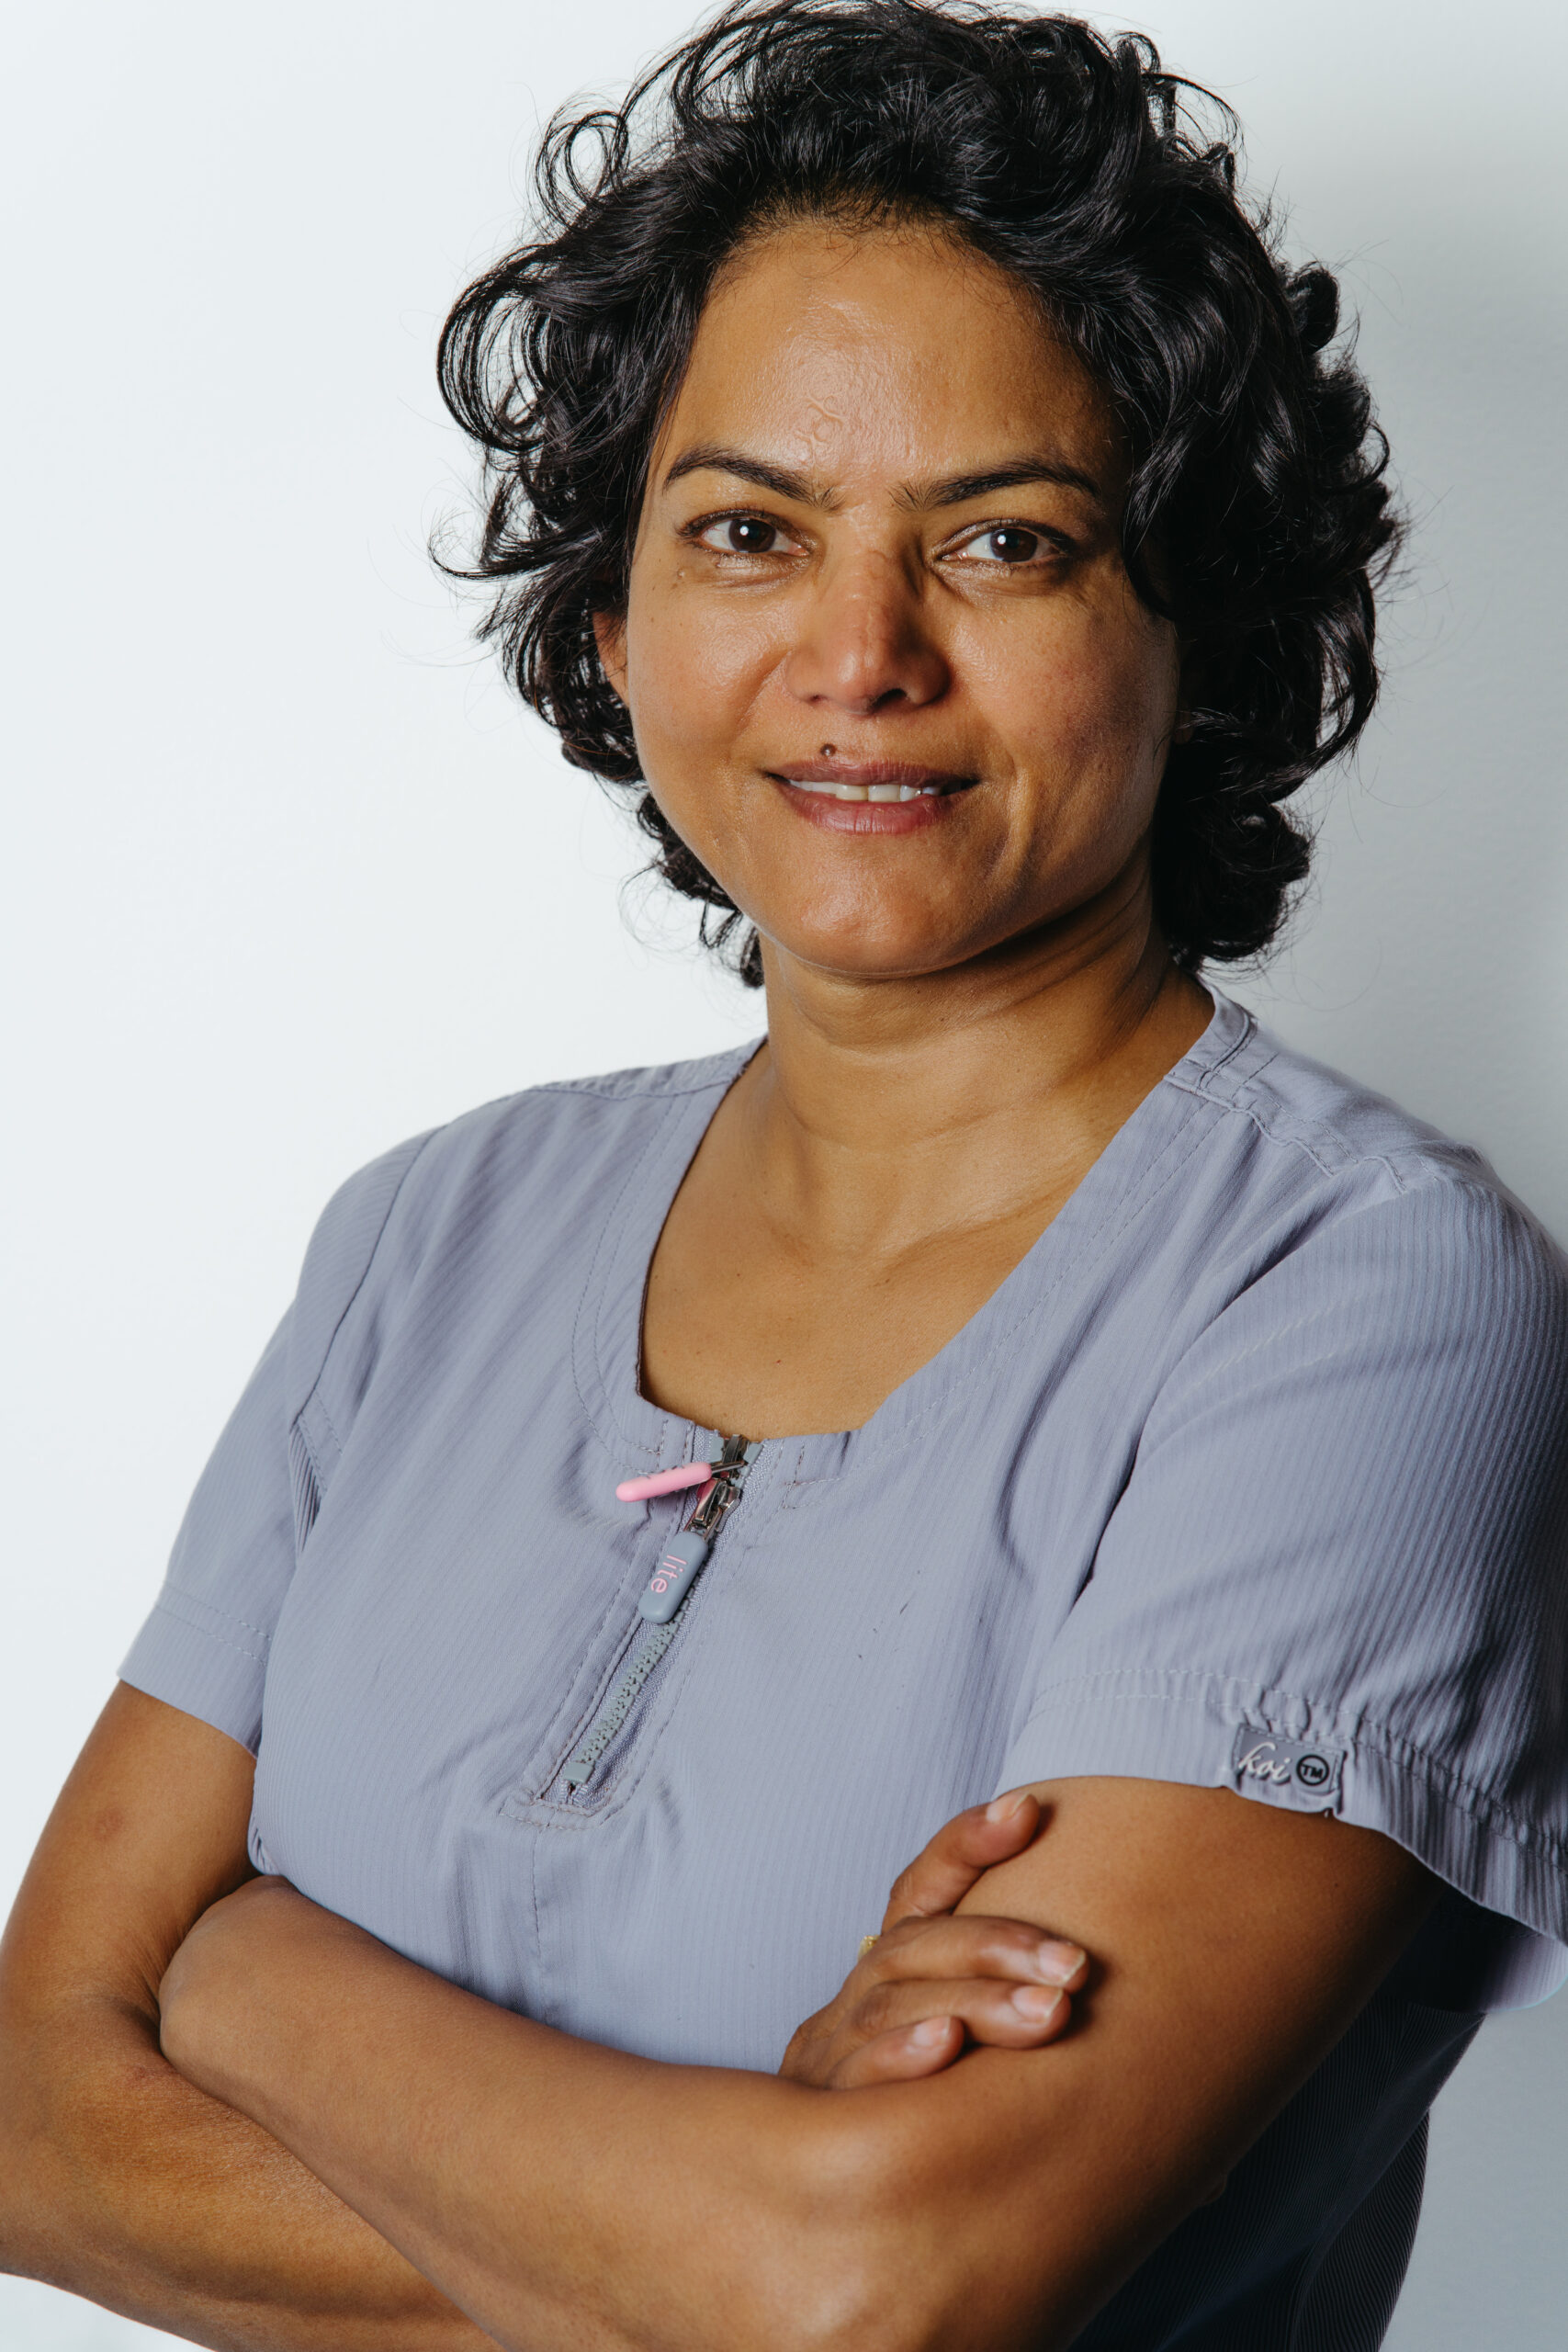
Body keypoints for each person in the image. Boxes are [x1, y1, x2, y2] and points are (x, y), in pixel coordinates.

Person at [3, 4, 1565, 2346]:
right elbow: (25, 2114)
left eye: (1004, 542)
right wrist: (724, 2191)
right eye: (748, 531)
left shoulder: (1369, 1300)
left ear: (1198, 625)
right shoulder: (425, 1235)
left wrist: (231, 1973)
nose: (860, 654)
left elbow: (875, 2280)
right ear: (613, 622)